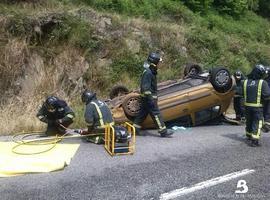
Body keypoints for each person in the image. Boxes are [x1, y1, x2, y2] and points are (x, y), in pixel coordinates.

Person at [133, 52, 174, 137]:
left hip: (146, 98)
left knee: (142, 114)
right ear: (154, 63)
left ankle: (135, 129)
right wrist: (151, 99)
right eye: (159, 62)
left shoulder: (151, 71)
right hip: (149, 98)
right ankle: (163, 131)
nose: (160, 64)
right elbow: (145, 88)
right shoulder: (148, 73)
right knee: (156, 114)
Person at [243, 64, 270, 146]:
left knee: (249, 121)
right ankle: (254, 140)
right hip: (257, 107)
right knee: (257, 123)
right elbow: (267, 95)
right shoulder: (262, 82)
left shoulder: (246, 81)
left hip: (247, 106)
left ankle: (248, 135)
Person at [262, 66, 270, 132]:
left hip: (267, 98)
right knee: (266, 111)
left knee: (267, 112)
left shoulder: (266, 80)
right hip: (266, 98)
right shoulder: (265, 79)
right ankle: (266, 124)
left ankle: (267, 125)